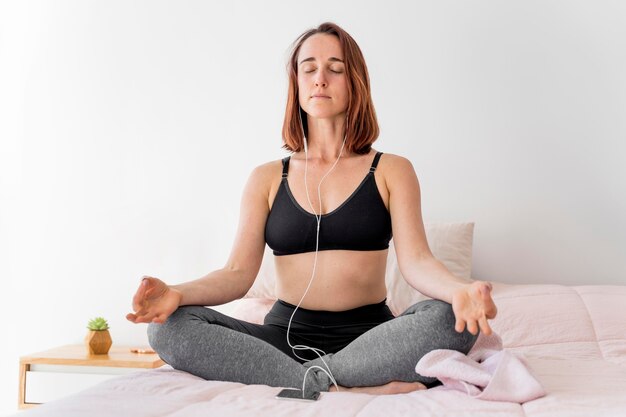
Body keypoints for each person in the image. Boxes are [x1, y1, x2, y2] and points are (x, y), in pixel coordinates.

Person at [126, 22, 497, 396]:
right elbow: (237, 273)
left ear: (354, 82)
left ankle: (312, 377)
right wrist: (176, 292)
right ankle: (337, 382)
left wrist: (458, 290)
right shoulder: (267, 177)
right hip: (282, 338)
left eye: (335, 69)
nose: (321, 79)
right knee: (167, 326)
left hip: (371, 340)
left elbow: (417, 261)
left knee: (448, 317)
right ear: (298, 84)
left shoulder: (391, 170)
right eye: (309, 69)